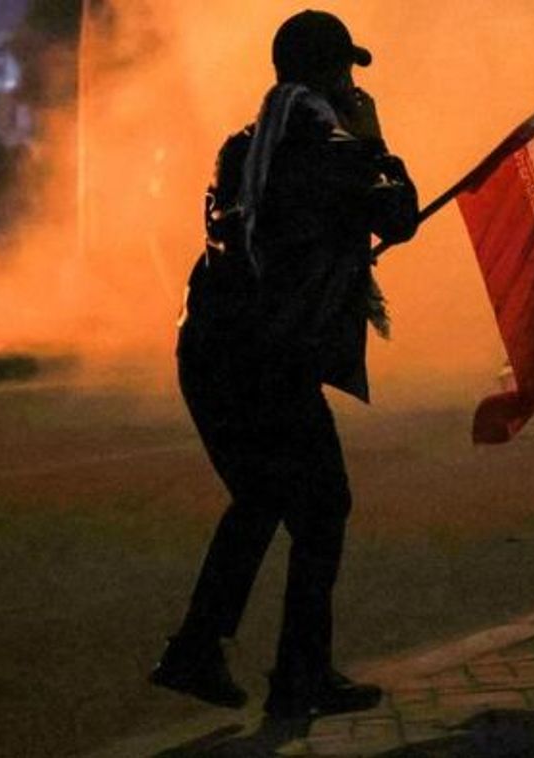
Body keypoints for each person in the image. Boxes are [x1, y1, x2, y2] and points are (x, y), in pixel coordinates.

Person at [150, 10, 419, 720]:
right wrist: (376, 142)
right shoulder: (332, 150)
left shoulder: (245, 147)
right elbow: (399, 216)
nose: (354, 85)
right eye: (347, 72)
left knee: (264, 497)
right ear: (332, 77)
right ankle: (299, 677)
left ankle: (196, 649)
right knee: (323, 508)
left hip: (210, 352)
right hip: (267, 362)